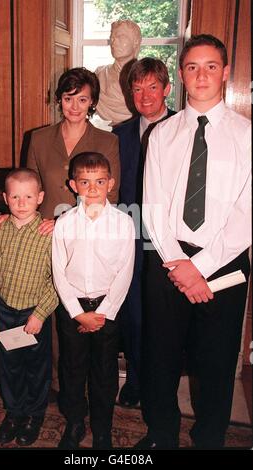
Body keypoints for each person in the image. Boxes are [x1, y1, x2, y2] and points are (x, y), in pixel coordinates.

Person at [136, 34, 251, 449]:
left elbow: (246, 215)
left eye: (211, 66)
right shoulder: (162, 135)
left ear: (225, 73)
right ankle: (161, 433)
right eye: (192, 67)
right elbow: (153, 207)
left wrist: (199, 268)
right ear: (182, 76)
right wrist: (178, 264)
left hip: (225, 264)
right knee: (160, 357)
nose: (201, 75)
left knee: (216, 363)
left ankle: (209, 437)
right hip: (168, 259)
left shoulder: (246, 136)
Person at [0, 67, 120, 396]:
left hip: (83, 241)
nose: (74, 106)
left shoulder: (108, 141)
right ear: (58, 100)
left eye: (82, 99)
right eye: (68, 98)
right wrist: (9, 216)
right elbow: (25, 187)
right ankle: (38, 385)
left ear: (92, 103)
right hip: (40, 238)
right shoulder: (38, 138)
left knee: (71, 311)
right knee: (39, 313)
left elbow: (111, 198)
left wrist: (65, 222)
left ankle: (71, 387)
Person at [52, 152, 135, 450]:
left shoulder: (124, 223)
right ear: (73, 185)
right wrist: (77, 313)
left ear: (110, 183)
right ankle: (74, 422)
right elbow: (58, 270)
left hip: (107, 311)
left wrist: (103, 313)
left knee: (104, 372)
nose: (93, 188)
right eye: (85, 182)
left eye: (100, 181)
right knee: (72, 369)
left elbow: (125, 272)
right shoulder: (63, 223)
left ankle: (103, 429)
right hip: (72, 309)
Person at [0, 168, 59, 446]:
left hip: (33, 313)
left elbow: (58, 279)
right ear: (5, 198)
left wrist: (40, 314)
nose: (22, 202)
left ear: (40, 197)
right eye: (15, 197)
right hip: (4, 310)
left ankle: (34, 415)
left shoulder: (50, 234)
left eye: (28, 196)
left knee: (37, 367)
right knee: (9, 367)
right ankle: (14, 413)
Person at [113, 57, 176, 408]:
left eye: (153, 87)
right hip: (131, 239)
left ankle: (161, 384)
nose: (145, 95)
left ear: (167, 89)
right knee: (134, 315)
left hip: (171, 241)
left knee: (166, 318)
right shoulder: (119, 135)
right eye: (137, 88)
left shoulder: (184, 129)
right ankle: (135, 379)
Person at [95, 20, 142, 126]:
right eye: (112, 37)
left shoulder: (147, 78)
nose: (114, 42)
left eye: (121, 37)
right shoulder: (100, 75)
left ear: (135, 42)